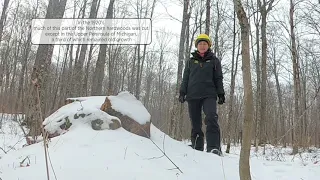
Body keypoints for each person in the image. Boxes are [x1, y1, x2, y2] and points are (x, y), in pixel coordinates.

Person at [179, 34, 225, 156]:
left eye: (205, 44)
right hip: (193, 95)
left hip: (209, 94)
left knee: (211, 117)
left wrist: (221, 93)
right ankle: (197, 146)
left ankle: (214, 147)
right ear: (197, 46)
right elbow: (186, 78)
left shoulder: (214, 61)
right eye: (200, 44)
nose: (202, 46)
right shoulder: (190, 62)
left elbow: (218, 78)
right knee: (195, 122)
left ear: (208, 46)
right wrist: (182, 92)